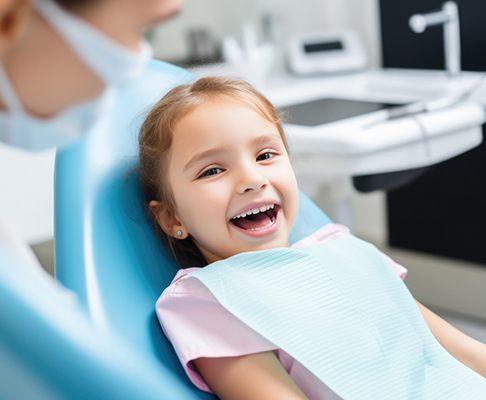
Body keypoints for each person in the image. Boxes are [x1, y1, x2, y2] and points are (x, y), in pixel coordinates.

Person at [139, 76, 486, 399]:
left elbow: (468, 353)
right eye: (212, 170)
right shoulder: (209, 301)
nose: (252, 179)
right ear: (172, 218)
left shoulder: (344, 249)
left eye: (265, 155)